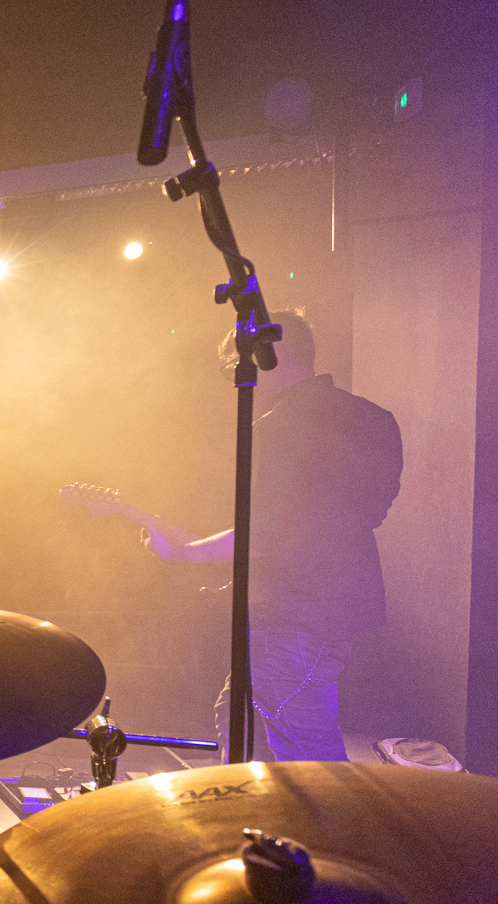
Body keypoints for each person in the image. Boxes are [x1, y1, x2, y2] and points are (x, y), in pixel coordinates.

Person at [139, 310, 403, 761]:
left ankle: (313, 812)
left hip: (289, 616)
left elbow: (264, 534)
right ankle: (254, 803)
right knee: (234, 716)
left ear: (269, 356)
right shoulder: (375, 419)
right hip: (336, 609)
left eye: (236, 366)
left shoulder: (279, 427)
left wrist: (178, 552)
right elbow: (368, 511)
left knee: (313, 766)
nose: (236, 381)